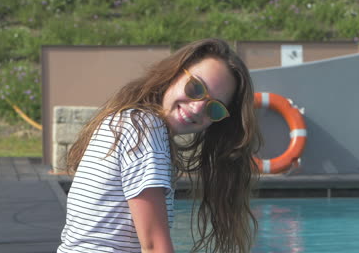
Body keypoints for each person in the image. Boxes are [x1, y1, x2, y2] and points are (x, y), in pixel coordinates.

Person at [57, 38, 262, 253]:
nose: (197, 108)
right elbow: (154, 246)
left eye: (215, 109)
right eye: (196, 88)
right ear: (174, 73)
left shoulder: (131, 120)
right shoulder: (145, 128)